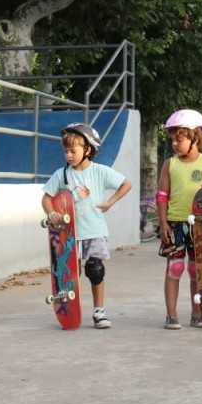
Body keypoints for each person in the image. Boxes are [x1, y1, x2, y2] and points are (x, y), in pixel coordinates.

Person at [42, 123, 132, 328]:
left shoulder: (100, 172)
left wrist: (110, 203)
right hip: (69, 233)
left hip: (95, 230)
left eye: (73, 151)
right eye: (66, 151)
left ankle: (99, 312)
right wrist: (53, 213)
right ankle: (70, 308)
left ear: (88, 150)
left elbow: (126, 184)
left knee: (95, 270)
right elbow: (46, 199)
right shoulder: (61, 174)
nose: (68, 155)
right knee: (71, 272)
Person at [156, 109, 202, 330]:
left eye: (180, 139)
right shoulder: (170, 164)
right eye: (173, 140)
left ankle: (197, 313)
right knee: (175, 269)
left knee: (198, 270)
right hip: (176, 224)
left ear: (195, 137)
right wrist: (163, 222)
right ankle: (171, 315)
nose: (175, 144)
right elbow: (162, 195)